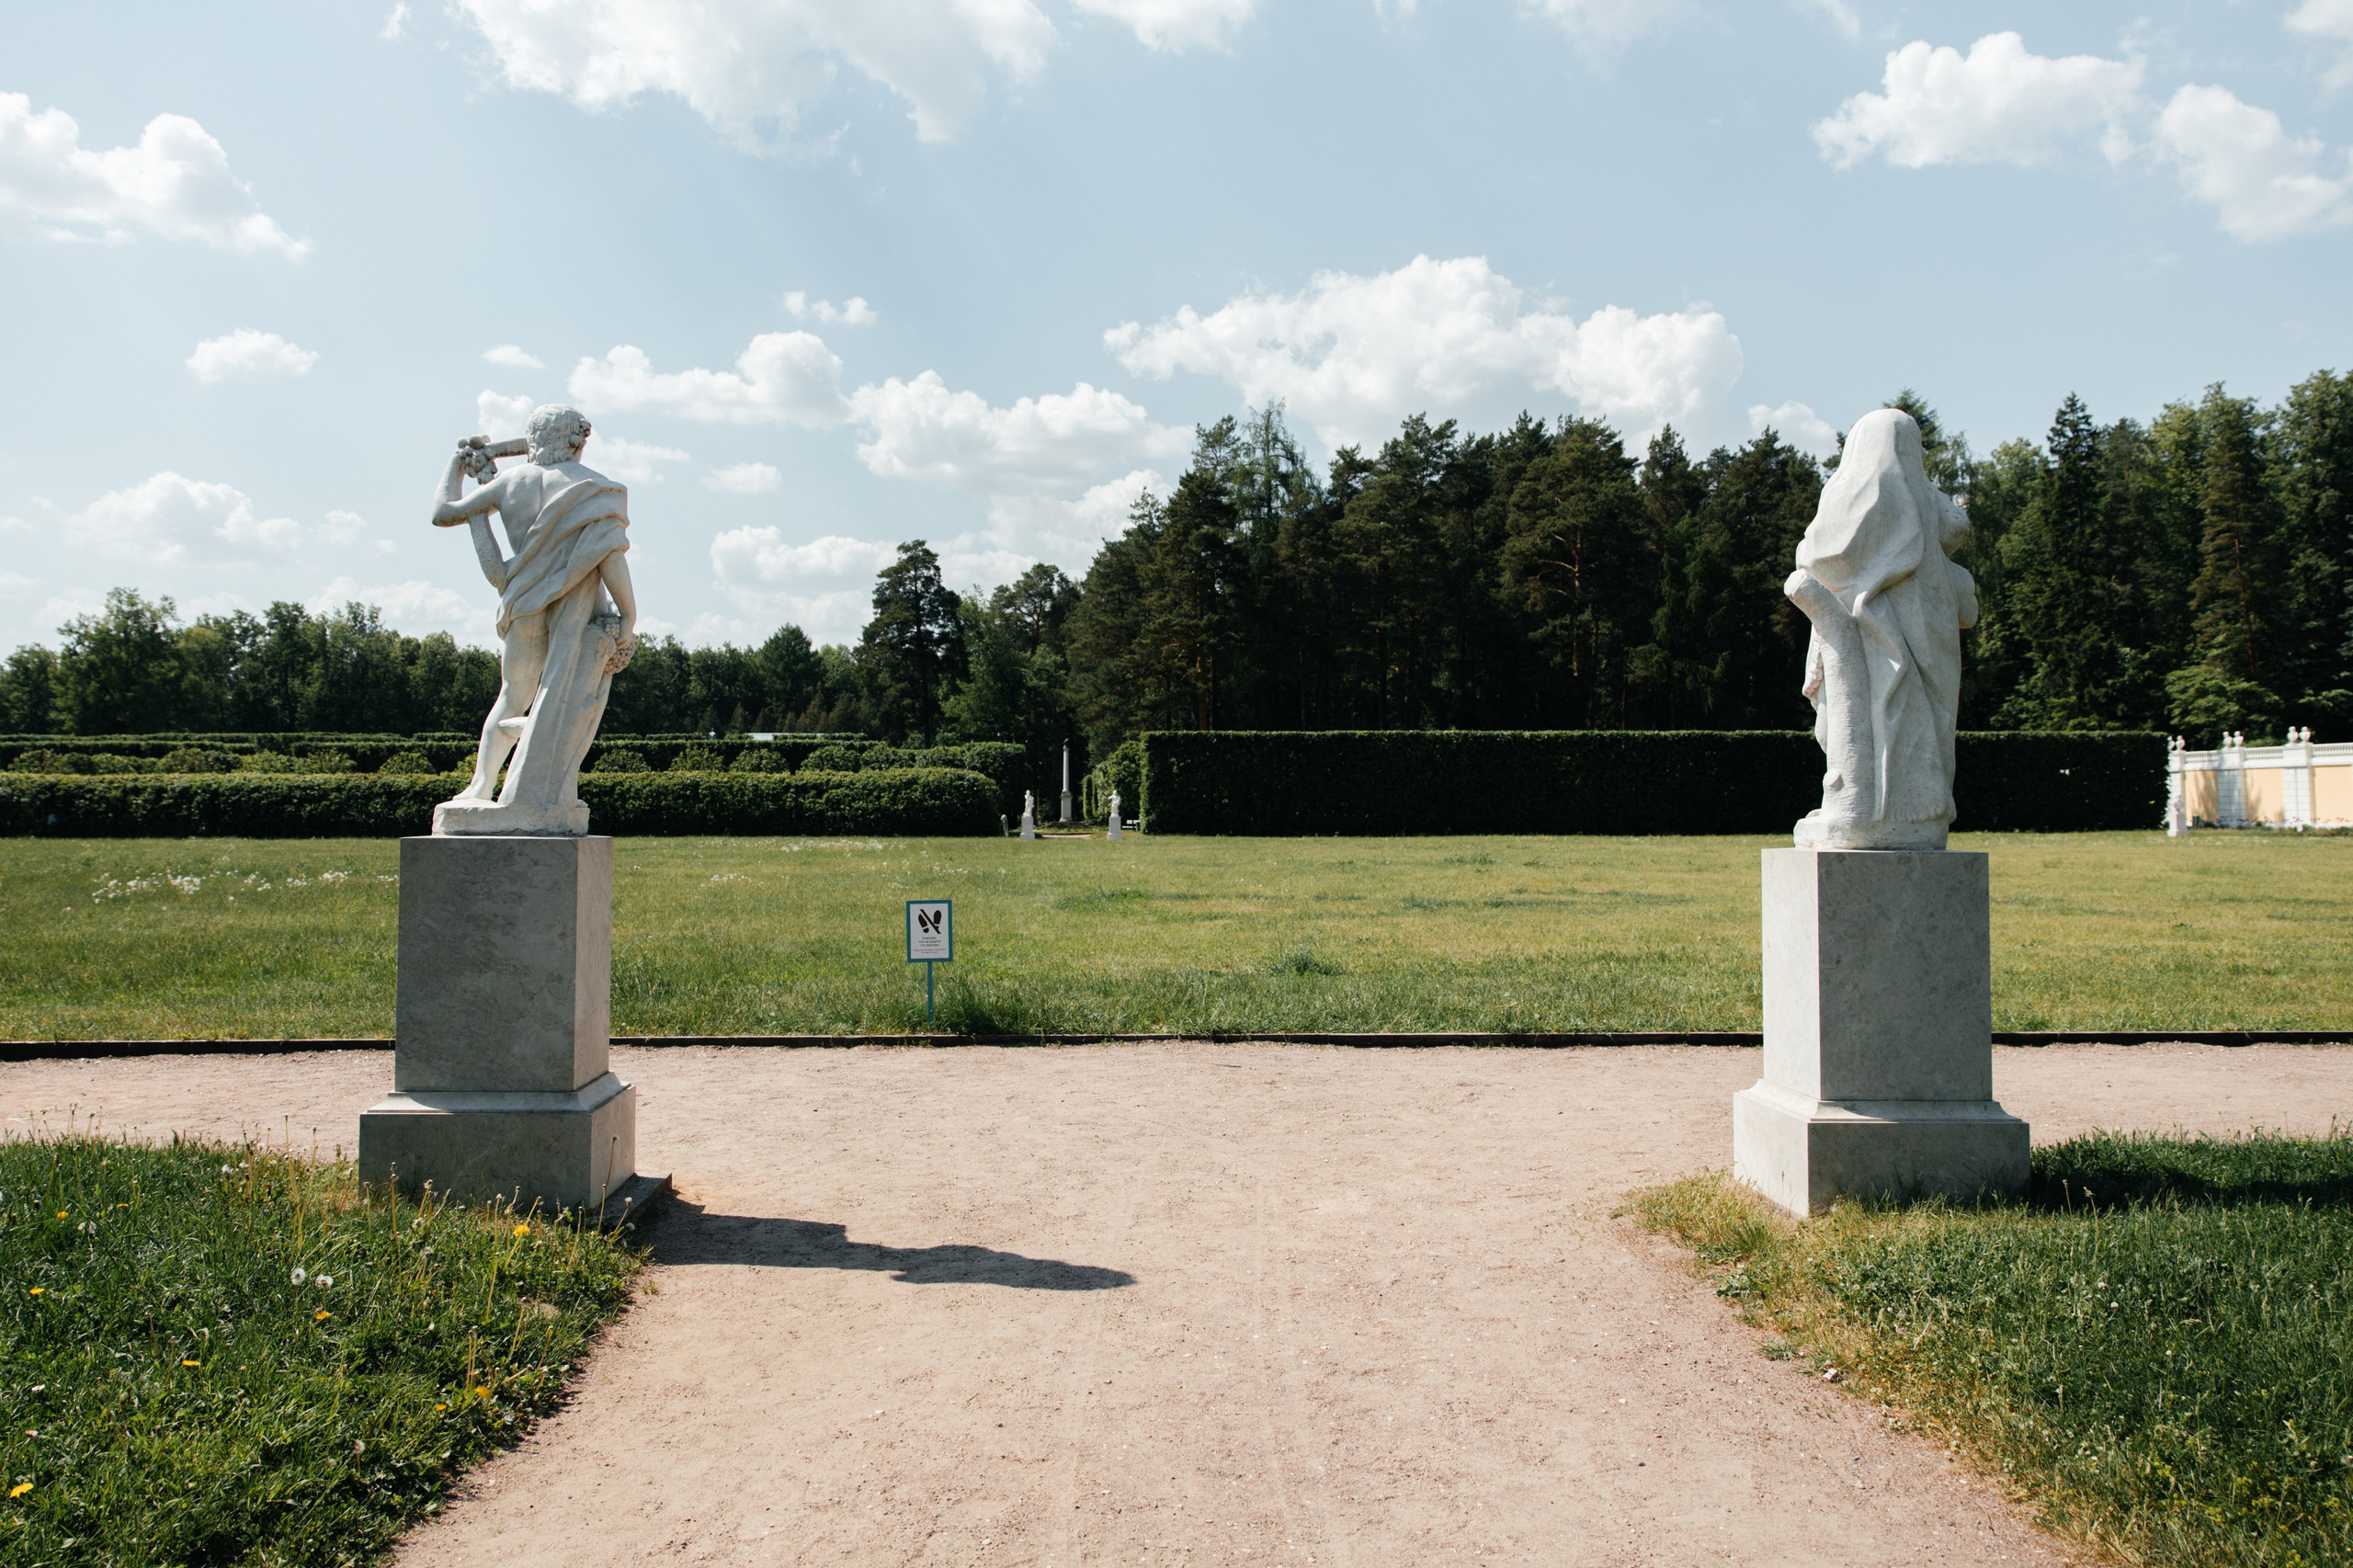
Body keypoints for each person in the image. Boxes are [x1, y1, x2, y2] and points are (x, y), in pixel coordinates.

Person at [429, 403, 638, 834]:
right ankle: (552, 789)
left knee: (512, 696)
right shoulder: (597, 490)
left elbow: (444, 512)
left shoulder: (511, 482)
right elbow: (611, 562)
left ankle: (480, 788)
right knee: (565, 699)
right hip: (575, 609)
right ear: (577, 440)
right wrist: (628, 620)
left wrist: (455, 465)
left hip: (523, 601)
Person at [1785, 407, 1977, 848]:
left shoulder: (1848, 491)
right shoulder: (1928, 500)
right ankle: (1915, 812)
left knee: (1866, 718)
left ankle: (1873, 812)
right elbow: (1957, 527)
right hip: (1928, 632)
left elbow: (1812, 554)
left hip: (1867, 628)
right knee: (1925, 717)